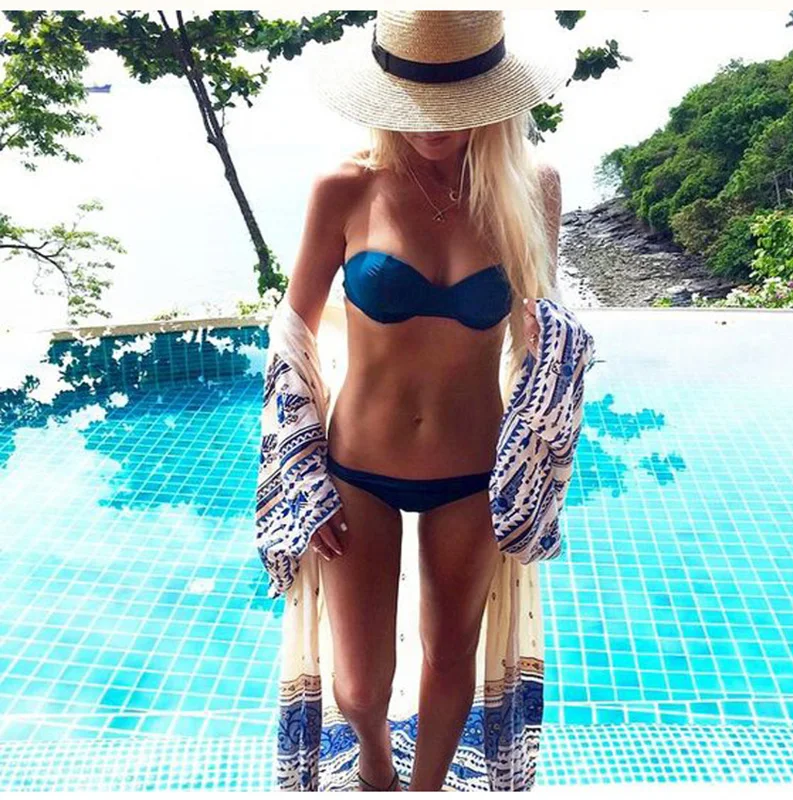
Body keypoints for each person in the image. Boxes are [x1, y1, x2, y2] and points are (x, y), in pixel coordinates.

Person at [256, 10, 594, 792]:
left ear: (493, 96)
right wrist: (299, 475)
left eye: (457, 103)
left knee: (451, 658)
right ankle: (375, 762)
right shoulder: (346, 188)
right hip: (358, 468)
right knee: (359, 685)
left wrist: (545, 407)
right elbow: (291, 334)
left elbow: (542, 333)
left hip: (473, 473)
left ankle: (427, 787)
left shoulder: (531, 189)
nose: (435, 125)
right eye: (418, 101)